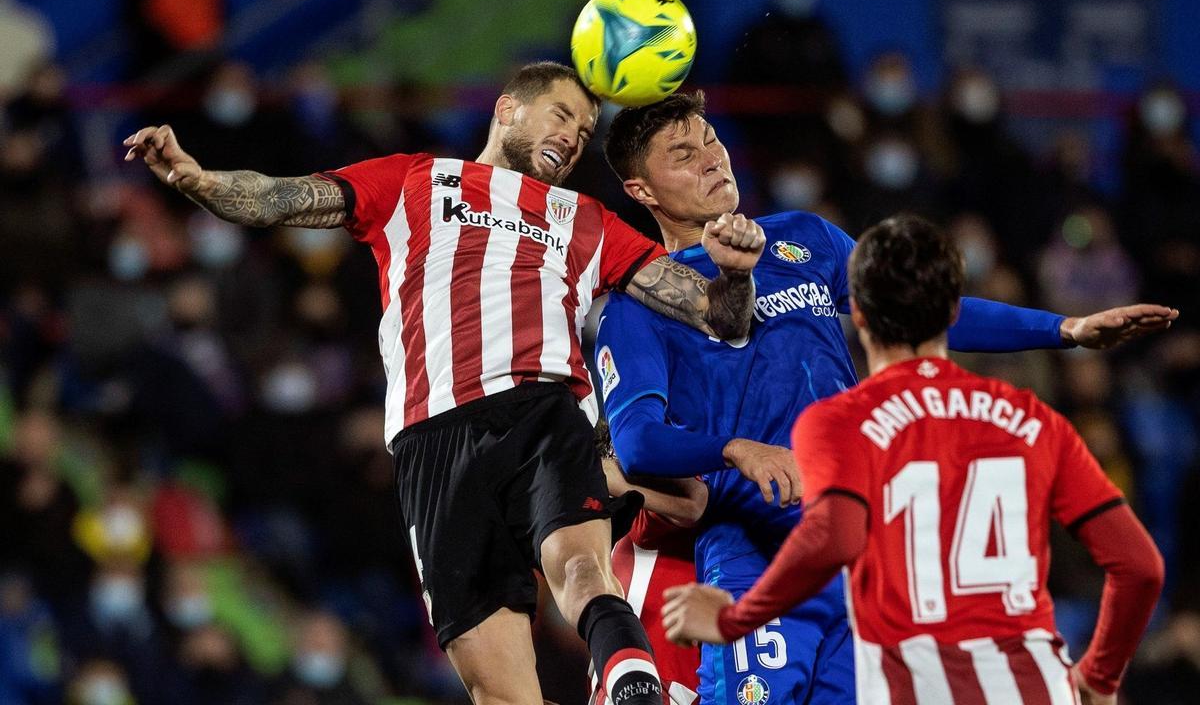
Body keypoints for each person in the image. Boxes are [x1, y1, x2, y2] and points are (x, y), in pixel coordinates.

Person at [124, 61, 767, 705]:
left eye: (586, 128)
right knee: (496, 686)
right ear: (508, 109)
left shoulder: (586, 218)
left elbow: (717, 314)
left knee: (579, 566)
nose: (574, 136)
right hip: (429, 439)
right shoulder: (411, 180)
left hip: (539, 408)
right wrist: (199, 180)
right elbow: (273, 198)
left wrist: (735, 276)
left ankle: (632, 679)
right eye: (562, 114)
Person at [596, 91, 1177, 705]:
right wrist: (737, 450)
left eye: (711, 140)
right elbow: (636, 443)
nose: (712, 159)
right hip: (755, 553)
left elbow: (919, 310)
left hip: (866, 549)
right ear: (642, 191)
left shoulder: (803, 238)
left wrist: (1065, 330)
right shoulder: (638, 308)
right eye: (683, 154)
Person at [662, 214, 1165, 704]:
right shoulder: (1031, 421)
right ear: (952, 313)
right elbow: (1141, 566)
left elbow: (832, 536)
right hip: (1038, 684)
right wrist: (1099, 674)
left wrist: (733, 620)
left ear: (856, 314)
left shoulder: (838, 422)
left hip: (917, 684)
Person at [594, 422, 706, 705]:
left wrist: (593, 468)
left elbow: (695, 502)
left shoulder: (643, 522)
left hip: (662, 689)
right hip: (627, 688)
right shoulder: (613, 540)